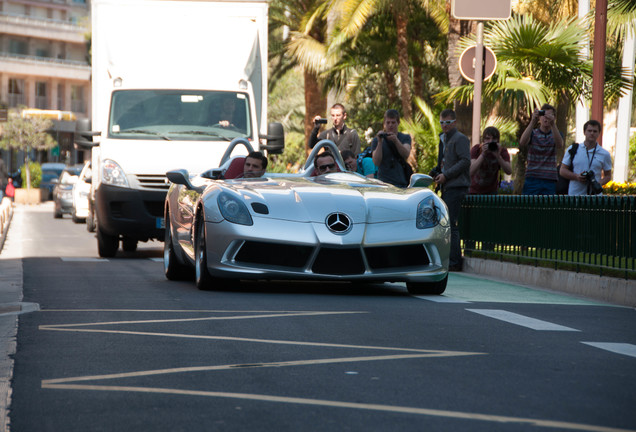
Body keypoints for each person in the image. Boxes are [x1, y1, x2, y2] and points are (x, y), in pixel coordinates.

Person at [431, 109, 471, 272]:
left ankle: (455, 261)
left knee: (451, 225)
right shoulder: (444, 139)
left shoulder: (459, 139)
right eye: (442, 122)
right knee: (447, 225)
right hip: (447, 186)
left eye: (447, 122)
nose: (444, 126)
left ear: (454, 122)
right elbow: (443, 162)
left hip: (456, 187)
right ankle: (450, 259)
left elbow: (465, 161)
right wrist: (435, 173)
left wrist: (446, 175)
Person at [519, 104, 564, 195]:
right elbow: (522, 142)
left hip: (549, 179)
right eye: (543, 115)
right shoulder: (533, 133)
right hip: (532, 177)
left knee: (547, 207)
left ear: (554, 117)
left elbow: (559, 145)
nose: (545, 118)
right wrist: (532, 122)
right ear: (539, 117)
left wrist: (553, 124)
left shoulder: (556, 134)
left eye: (549, 115)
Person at [559, 120, 612, 196]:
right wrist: (576, 176)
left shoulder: (604, 154)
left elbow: (608, 176)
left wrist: (597, 183)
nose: (592, 133)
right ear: (584, 132)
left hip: (595, 197)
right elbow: (562, 171)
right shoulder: (573, 149)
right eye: (589, 131)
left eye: (595, 131)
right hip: (575, 195)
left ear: (599, 133)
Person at [371, 109, 412, 188]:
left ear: (398, 123)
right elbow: (376, 162)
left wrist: (396, 141)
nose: (390, 125)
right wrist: (380, 142)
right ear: (384, 124)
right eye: (388, 122)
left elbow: (406, 154)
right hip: (383, 183)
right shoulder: (377, 140)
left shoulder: (405, 138)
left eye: (393, 122)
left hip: (401, 183)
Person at [469, 126, 512, 195]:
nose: (490, 142)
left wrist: (498, 156)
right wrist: (483, 154)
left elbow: (509, 171)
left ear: (498, 141)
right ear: (483, 141)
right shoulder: (477, 149)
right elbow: (471, 171)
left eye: (494, 139)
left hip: (491, 192)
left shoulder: (501, 151)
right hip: (474, 191)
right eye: (487, 139)